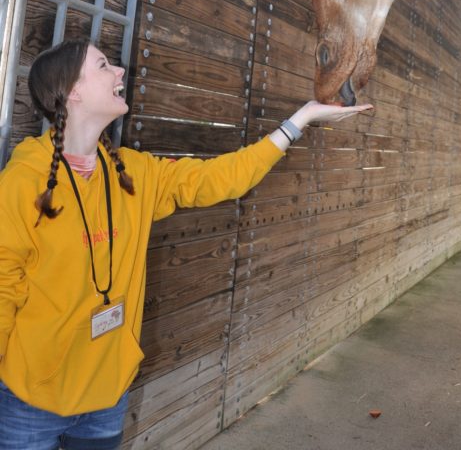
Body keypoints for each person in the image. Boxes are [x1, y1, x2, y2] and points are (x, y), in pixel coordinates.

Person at [0, 38, 373, 450]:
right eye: (104, 65)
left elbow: (222, 177)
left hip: (107, 395)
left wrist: (300, 119)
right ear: (72, 91)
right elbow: (3, 287)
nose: (120, 71)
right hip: (30, 400)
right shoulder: (22, 184)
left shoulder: (134, 174)